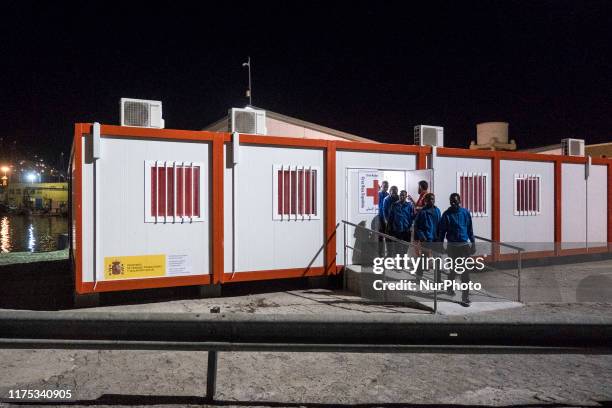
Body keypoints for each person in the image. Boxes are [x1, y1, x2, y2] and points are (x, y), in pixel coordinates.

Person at [438, 193, 475, 306]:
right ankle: (449, 288)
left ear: (460, 201)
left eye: (455, 201)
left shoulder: (465, 213)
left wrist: (473, 243)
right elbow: (442, 232)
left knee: (465, 272)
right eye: (452, 201)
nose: (454, 203)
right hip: (452, 247)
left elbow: (470, 229)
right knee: (454, 270)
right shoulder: (446, 215)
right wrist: (440, 245)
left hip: (464, 246)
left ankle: (465, 296)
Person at [413, 193, 441, 281]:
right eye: (429, 199)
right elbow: (417, 226)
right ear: (425, 201)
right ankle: (419, 276)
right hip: (426, 239)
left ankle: (438, 279)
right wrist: (422, 237)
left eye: (433, 199)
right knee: (423, 258)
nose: (431, 201)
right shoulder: (422, 212)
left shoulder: (437, 210)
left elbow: (439, 224)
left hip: (436, 239)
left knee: (438, 259)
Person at [387, 190, 415, 256]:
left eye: (403, 195)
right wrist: (389, 229)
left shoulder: (409, 206)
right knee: (398, 249)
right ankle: (400, 264)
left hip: (406, 231)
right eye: (400, 195)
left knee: (405, 248)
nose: (401, 197)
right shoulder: (394, 205)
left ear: (406, 196)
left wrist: (410, 227)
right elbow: (390, 218)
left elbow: (412, 217)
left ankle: (402, 263)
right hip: (397, 230)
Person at [377, 181, 389, 256]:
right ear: (381, 186)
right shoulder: (377, 194)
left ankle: (388, 254)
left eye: (387, 187)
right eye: (384, 186)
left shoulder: (388, 195)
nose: (386, 188)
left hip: (387, 219)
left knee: (388, 237)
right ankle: (380, 254)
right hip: (380, 217)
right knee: (380, 236)